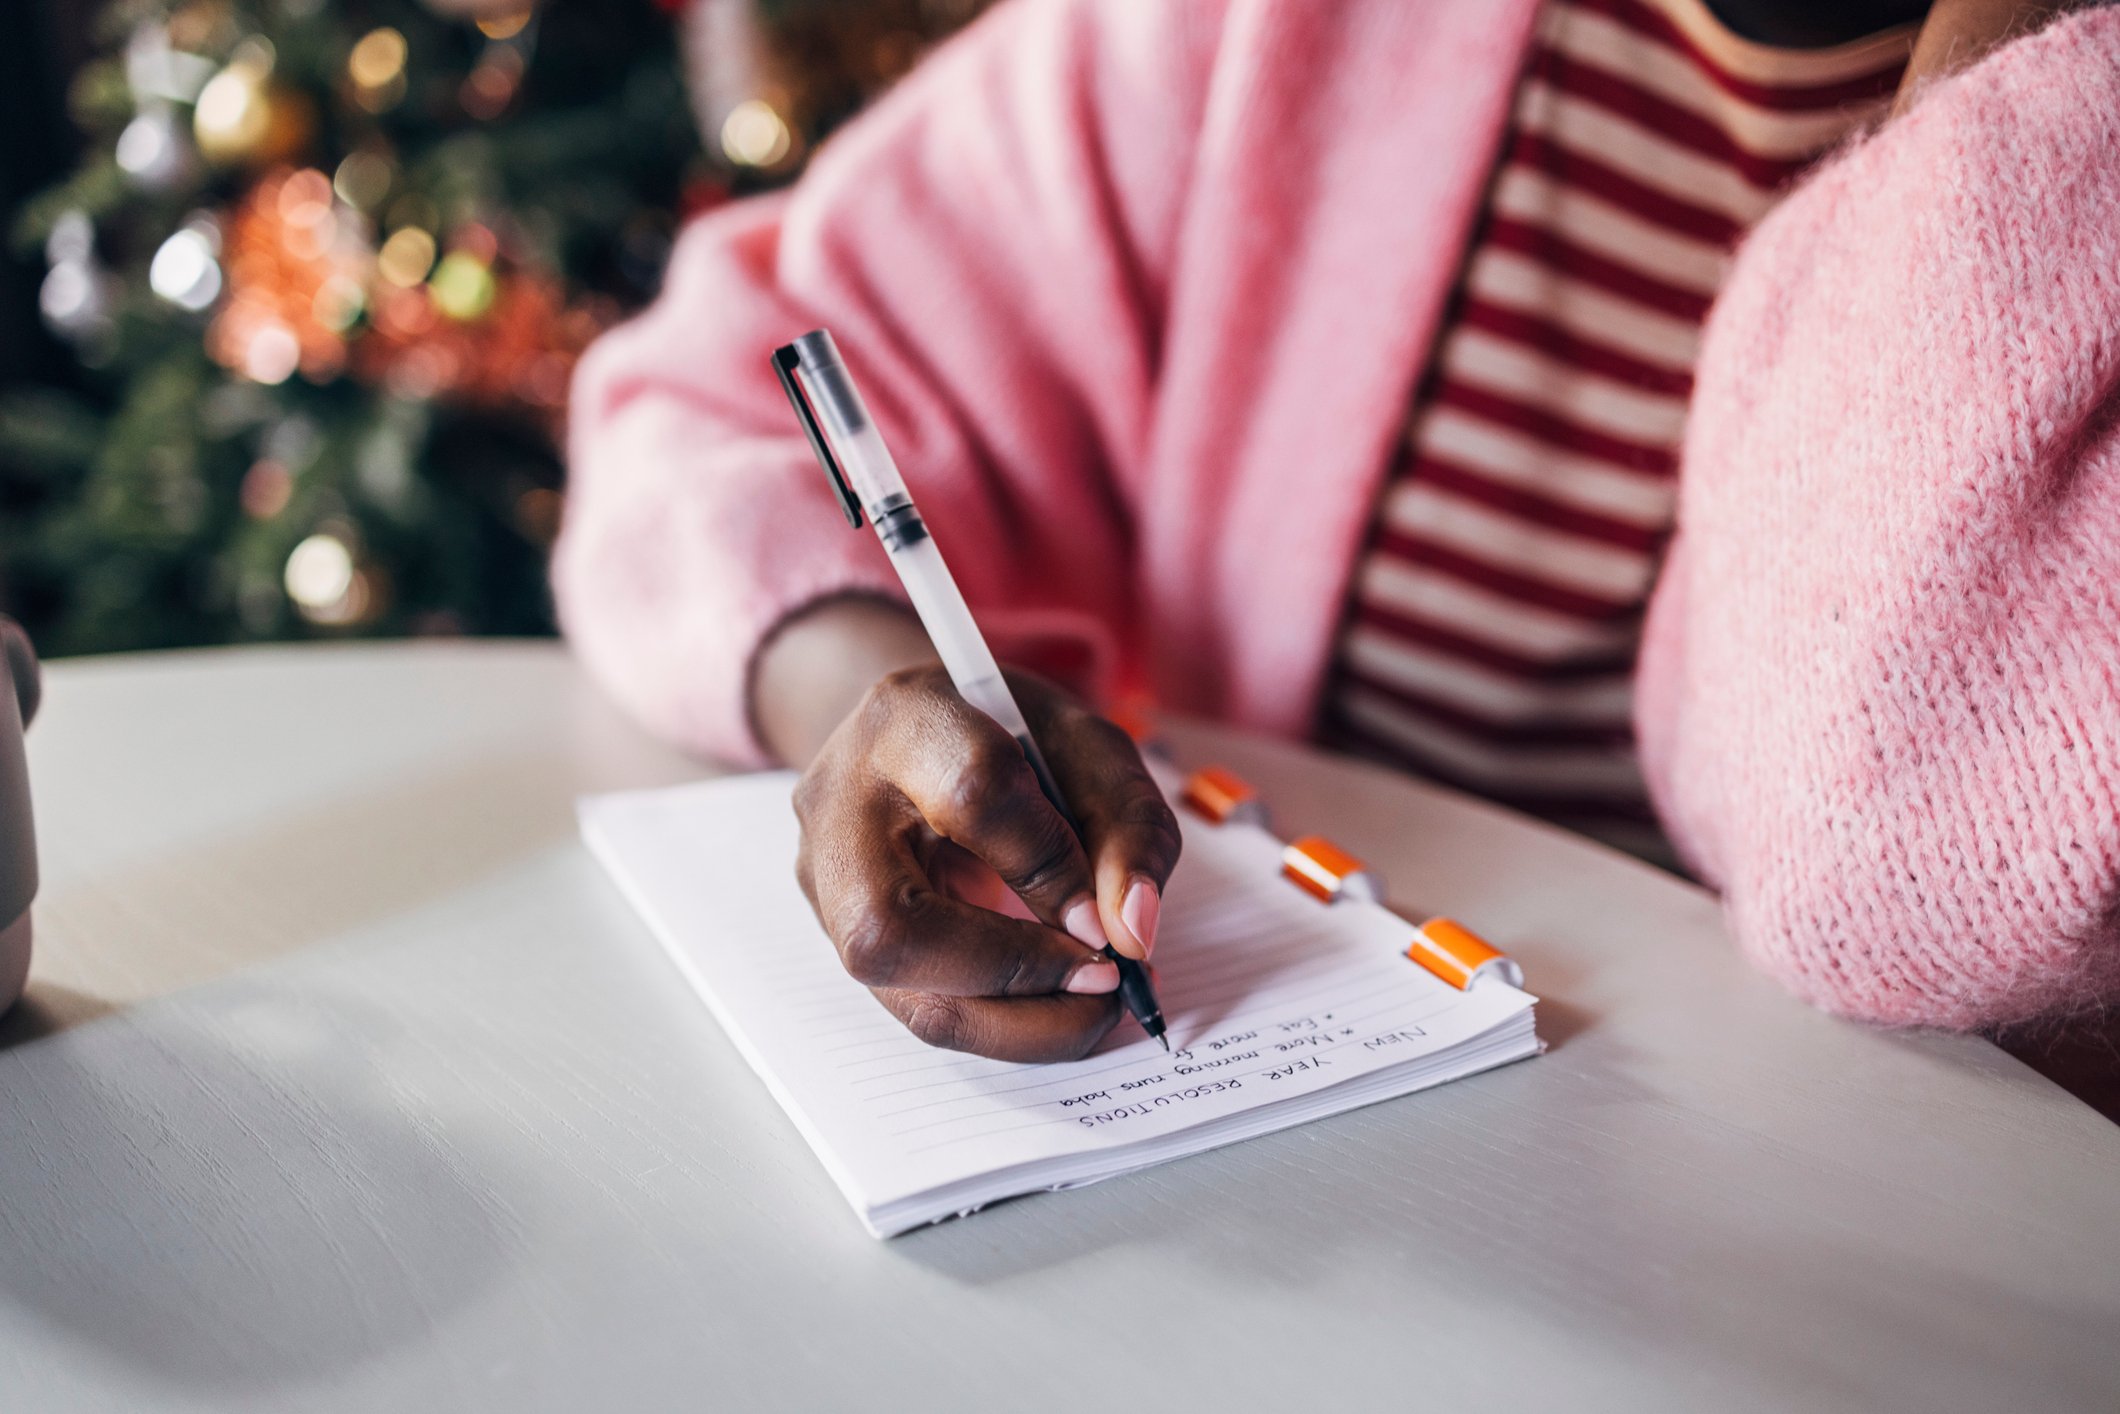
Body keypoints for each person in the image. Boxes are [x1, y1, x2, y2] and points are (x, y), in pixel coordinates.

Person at [555, 0, 2120, 1089]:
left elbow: (1906, 834)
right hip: (1308, 1129)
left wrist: (2021, 81)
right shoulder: (1277, 32)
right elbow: (690, 402)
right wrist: (890, 707)